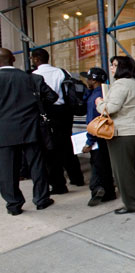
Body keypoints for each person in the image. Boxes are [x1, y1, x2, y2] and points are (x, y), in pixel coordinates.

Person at [0, 48, 55, 215]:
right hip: (32, 128)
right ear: (13, 60)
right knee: (37, 165)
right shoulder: (33, 78)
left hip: (4, 131)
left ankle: (14, 204)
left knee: (7, 170)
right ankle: (41, 199)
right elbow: (52, 97)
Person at [95, 56, 135, 214]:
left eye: (115, 65)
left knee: (122, 172)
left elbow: (110, 108)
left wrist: (99, 102)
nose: (111, 68)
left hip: (123, 133)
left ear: (123, 67)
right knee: (131, 169)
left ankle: (131, 204)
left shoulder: (121, 84)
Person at [31, 48, 84, 193]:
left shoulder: (34, 76)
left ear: (36, 59)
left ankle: (58, 184)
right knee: (67, 144)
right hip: (65, 112)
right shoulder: (62, 71)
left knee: (50, 149)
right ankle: (77, 178)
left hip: (47, 113)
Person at [82, 67, 116, 206]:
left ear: (93, 80)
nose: (86, 81)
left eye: (88, 79)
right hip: (106, 134)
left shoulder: (94, 99)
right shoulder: (104, 92)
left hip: (97, 134)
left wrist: (89, 142)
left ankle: (99, 190)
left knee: (98, 164)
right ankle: (109, 191)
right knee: (105, 164)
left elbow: (92, 121)